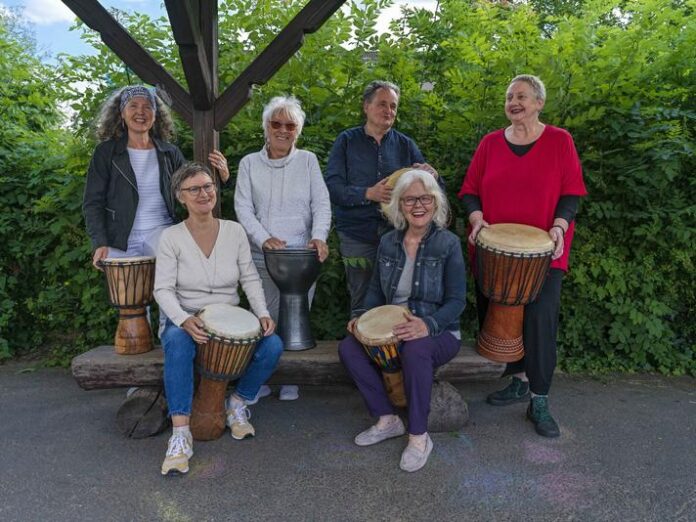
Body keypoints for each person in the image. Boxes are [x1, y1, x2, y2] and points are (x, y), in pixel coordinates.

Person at [457, 74, 587, 438]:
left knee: (539, 326)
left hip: (545, 254)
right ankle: (516, 380)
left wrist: (559, 227)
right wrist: (477, 217)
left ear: (539, 103)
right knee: (500, 320)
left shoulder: (560, 141)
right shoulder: (490, 143)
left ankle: (540, 399)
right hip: (494, 252)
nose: (514, 102)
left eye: (523, 97)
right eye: (510, 96)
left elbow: (571, 193)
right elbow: (469, 191)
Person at [154, 163, 283, 476]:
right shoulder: (171, 237)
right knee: (175, 342)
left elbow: (250, 277)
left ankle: (237, 404)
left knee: (273, 345)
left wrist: (262, 313)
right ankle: (181, 435)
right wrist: (183, 319)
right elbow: (162, 289)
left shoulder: (234, 230)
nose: (204, 193)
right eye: (194, 189)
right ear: (180, 197)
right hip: (187, 317)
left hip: (230, 317)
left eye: (208, 186)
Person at [338, 169, 466, 473]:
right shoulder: (388, 242)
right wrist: (360, 318)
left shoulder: (448, 244)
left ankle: (419, 436)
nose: (418, 205)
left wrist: (427, 325)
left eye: (425, 198)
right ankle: (387, 419)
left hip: (439, 331)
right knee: (349, 348)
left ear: (435, 202)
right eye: (410, 199)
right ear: (399, 205)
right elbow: (373, 291)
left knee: (416, 349)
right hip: (393, 326)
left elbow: (457, 302)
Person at [234, 96, 331, 402]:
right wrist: (263, 238)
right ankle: (263, 377)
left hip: (302, 258)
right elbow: (243, 208)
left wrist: (319, 237)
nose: (283, 130)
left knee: (295, 322)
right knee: (265, 320)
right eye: (276, 123)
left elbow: (322, 204)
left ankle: (291, 379)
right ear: (266, 127)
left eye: (290, 125)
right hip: (261, 257)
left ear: (297, 131)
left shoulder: (308, 161)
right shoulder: (249, 163)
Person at [325, 80, 440, 318]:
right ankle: (359, 350)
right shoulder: (346, 141)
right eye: (382, 104)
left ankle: (392, 352)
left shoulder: (405, 145)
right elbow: (333, 188)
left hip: (398, 234)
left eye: (393, 106)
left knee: (398, 298)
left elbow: (429, 189)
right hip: (357, 234)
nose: (389, 111)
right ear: (366, 106)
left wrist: (433, 175)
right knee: (361, 299)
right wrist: (368, 193)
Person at [83, 84, 230, 267]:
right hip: (118, 238)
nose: (141, 112)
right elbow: (93, 202)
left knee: (179, 285)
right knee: (125, 295)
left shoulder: (169, 152)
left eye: (147, 106)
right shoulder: (105, 152)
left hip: (162, 233)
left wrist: (222, 177)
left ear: (155, 115)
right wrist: (100, 242)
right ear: (121, 113)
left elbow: (193, 189)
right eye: (133, 106)